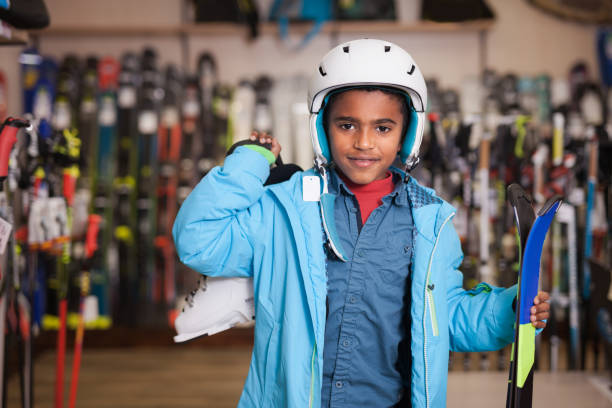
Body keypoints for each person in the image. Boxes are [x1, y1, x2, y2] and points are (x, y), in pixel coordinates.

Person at [172, 38, 550, 408]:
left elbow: (445, 318)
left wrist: (510, 311)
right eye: (347, 125)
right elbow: (198, 240)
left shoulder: (430, 221)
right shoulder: (284, 209)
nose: (364, 142)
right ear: (323, 128)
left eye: (383, 128)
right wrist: (249, 161)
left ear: (407, 134)